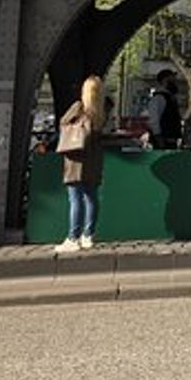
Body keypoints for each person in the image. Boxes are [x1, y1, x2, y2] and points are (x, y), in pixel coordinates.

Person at [55, 76, 108, 253]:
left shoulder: (78, 107)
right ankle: (88, 235)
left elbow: (63, 122)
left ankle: (73, 238)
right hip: (93, 160)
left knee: (75, 198)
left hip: (76, 158)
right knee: (91, 197)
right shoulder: (100, 113)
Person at [145, 69, 183, 149]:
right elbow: (154, 119)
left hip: (171, 140)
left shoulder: (171, 98)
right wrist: (159, 138)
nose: (175, 82)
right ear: (164, 80)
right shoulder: (159, 98)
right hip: (163, 141)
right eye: (172, 80)